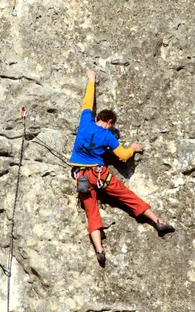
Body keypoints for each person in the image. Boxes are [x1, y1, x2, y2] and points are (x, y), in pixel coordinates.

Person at [69, 69, 175, 267]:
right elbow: (123, 156)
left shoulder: (85, 122)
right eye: (112, 125)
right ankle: (158, 222)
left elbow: (87, 102)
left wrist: (91, 80)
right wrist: (133, 148)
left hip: (81, 177)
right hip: (100, 174)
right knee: (127, 196)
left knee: (91, 212)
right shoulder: (108, 136)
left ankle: (99, 250)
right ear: (109, 122)